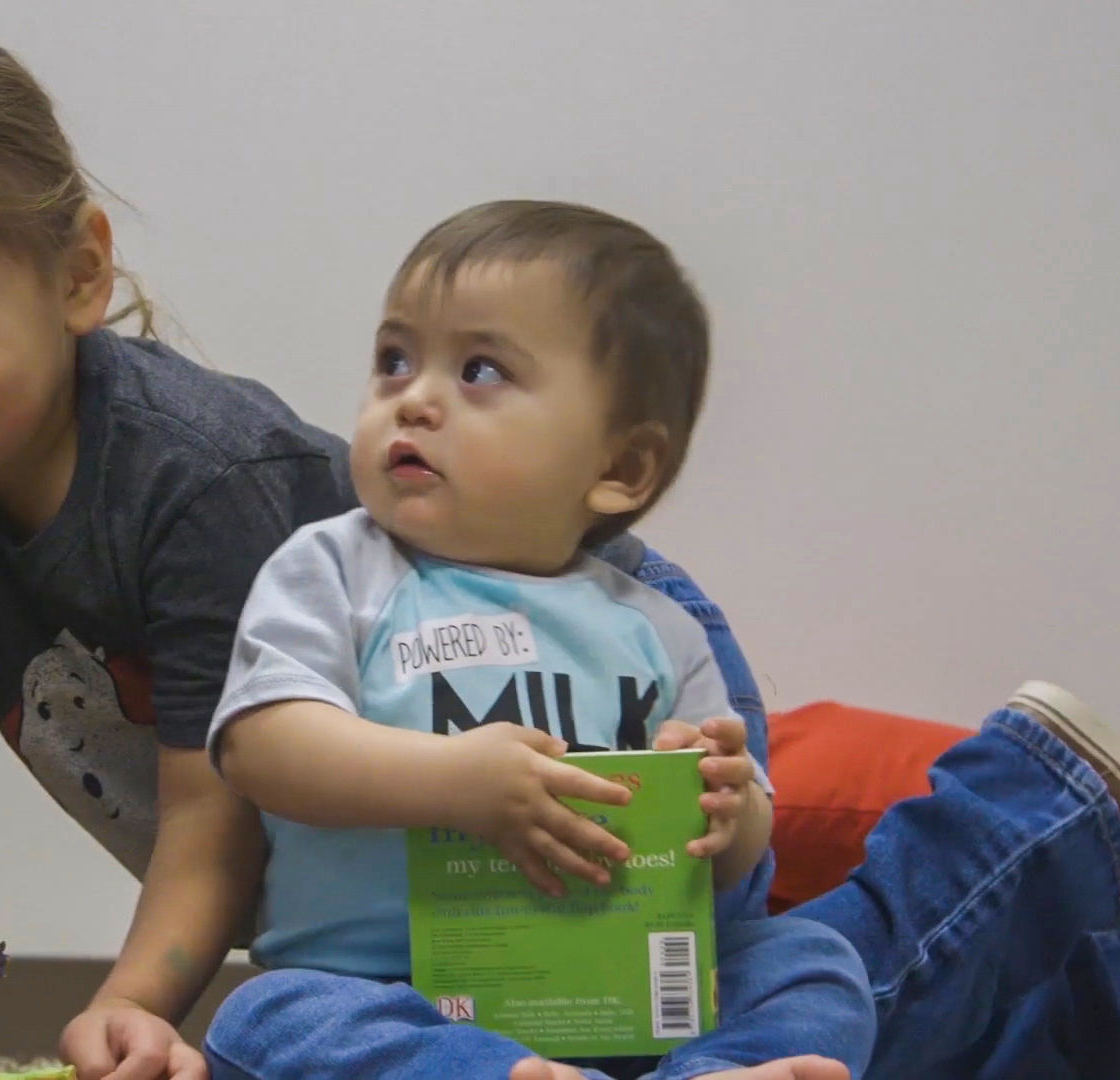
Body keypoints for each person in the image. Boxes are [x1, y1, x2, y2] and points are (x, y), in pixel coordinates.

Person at [0, 19, 1120, 1080]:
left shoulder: (203, 485)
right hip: (417, 855)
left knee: (786, 972)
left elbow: (221, 814)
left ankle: (1038, 820)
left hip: (579, 746)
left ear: (78, 269)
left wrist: (139, 1014)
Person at [198, 201, 877, 1080]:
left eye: (479, 370)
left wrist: (728, 810)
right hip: (386, 991)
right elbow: (263, 744)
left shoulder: (660, 628)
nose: (415, 397)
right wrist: (457, 783)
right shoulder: (334, 567)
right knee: (266, 1018)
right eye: (393, 360)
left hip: (621, 984)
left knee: (809, 963)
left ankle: (716, 1071)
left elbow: (730, 872)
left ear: (619, 469)